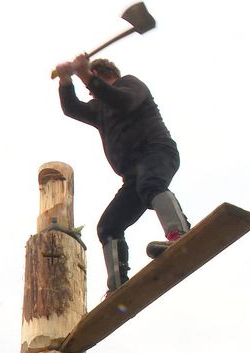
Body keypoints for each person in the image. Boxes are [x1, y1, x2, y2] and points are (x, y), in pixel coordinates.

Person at [55, 53, 190, 295]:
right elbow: (72, 108)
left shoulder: (131, 85)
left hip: (156, 152)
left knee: (151, 185)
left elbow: (123, 101)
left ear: (104, 76)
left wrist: (85, 74)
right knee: (109, 225)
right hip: (132, 176)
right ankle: (118, 284)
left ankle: (178, 233)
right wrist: (66, 80)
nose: (92, 93)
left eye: (93, 86)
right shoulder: (99, 109)